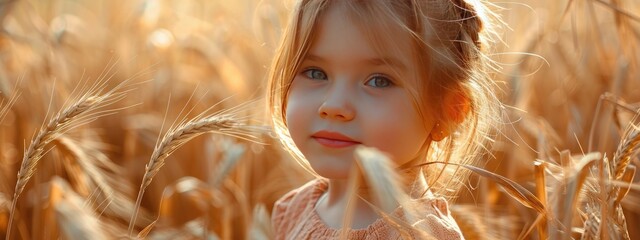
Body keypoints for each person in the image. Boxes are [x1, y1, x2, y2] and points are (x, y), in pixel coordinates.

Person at [267, 0, 501, 239]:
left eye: (379, 81)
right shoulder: (294, 210)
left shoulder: (422, 235)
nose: (334, 106)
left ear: (450, 110)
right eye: (316, 72)